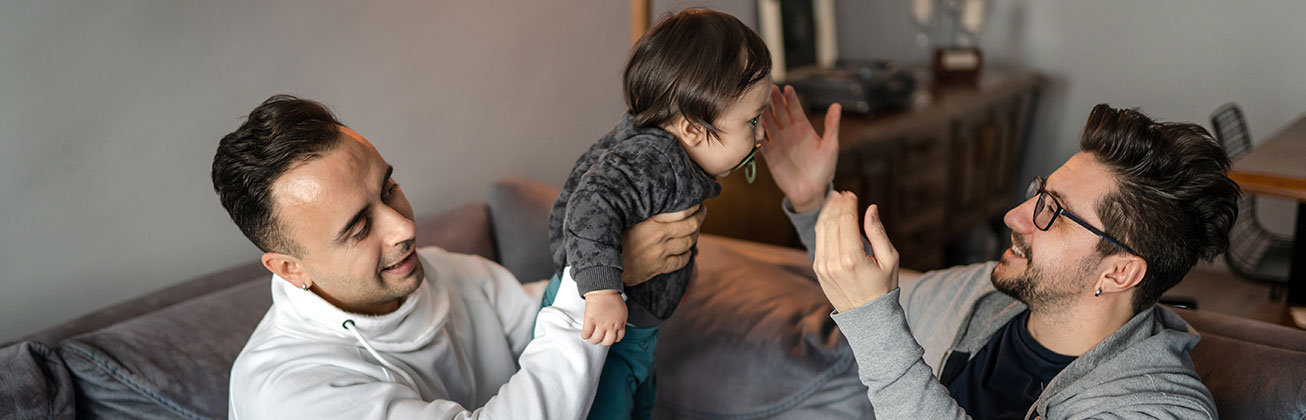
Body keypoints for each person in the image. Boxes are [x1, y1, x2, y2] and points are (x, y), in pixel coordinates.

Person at [213, 95, 708, 419]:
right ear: (289, 267)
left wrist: (623, 256)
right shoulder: (288, 396)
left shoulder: (446, 272)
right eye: (360, 227)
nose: (405, 227)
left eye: (390, 188)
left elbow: (539, 318)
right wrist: (598, 276)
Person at [794, 104, 1238, 419]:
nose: (1014, 216)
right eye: (1038, 194)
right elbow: (860, 293)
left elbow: (877, 327)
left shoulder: (1156, 406)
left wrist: (877, 326)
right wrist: (812, 200)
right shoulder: (981, 297)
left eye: (1054, 212)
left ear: (1119, 271)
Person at [542, 9, 796, 419]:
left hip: (636, 329)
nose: (762, 133)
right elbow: (589, 206)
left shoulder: (674, 153)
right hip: (599, 324)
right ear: (693, 128)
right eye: (752, 120)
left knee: (639, 402)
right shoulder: (651, 158)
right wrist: (603, 291)